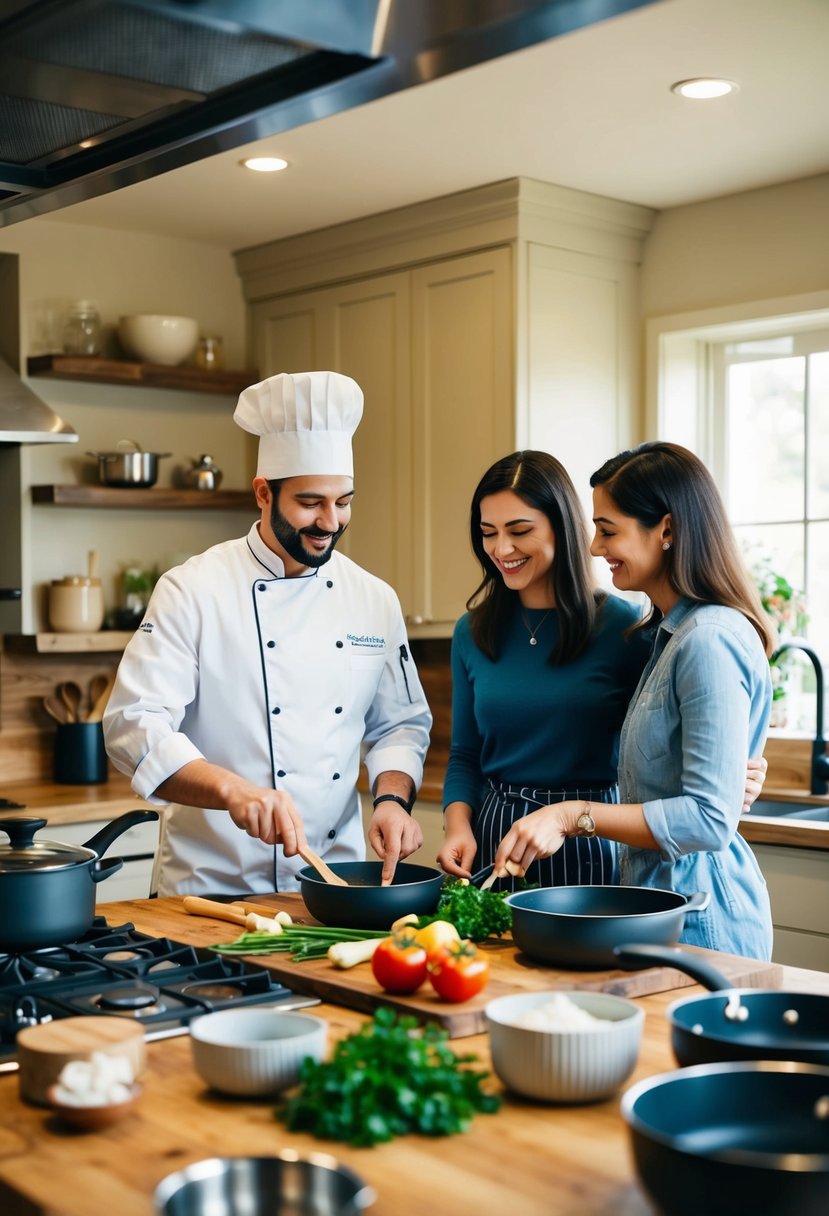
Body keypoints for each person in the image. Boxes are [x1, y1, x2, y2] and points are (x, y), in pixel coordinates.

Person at [103, 370, 432, 896]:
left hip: (331, 890)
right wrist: (234, 791)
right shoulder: (193, 590)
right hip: (208, 893)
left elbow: (401, 725)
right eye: (310, 503)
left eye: (344, 501)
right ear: (263, 492)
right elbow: (132, 727)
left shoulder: (374, 599)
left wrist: (392, 801)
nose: (331, 522)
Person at [490, 441, 775, 960]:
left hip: (701, 916)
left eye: (608, 530)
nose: (596, 548)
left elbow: (709, 819)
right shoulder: (667, 634)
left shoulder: (707, 638)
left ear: (665, 529)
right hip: (664, 905)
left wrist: (568, 815)